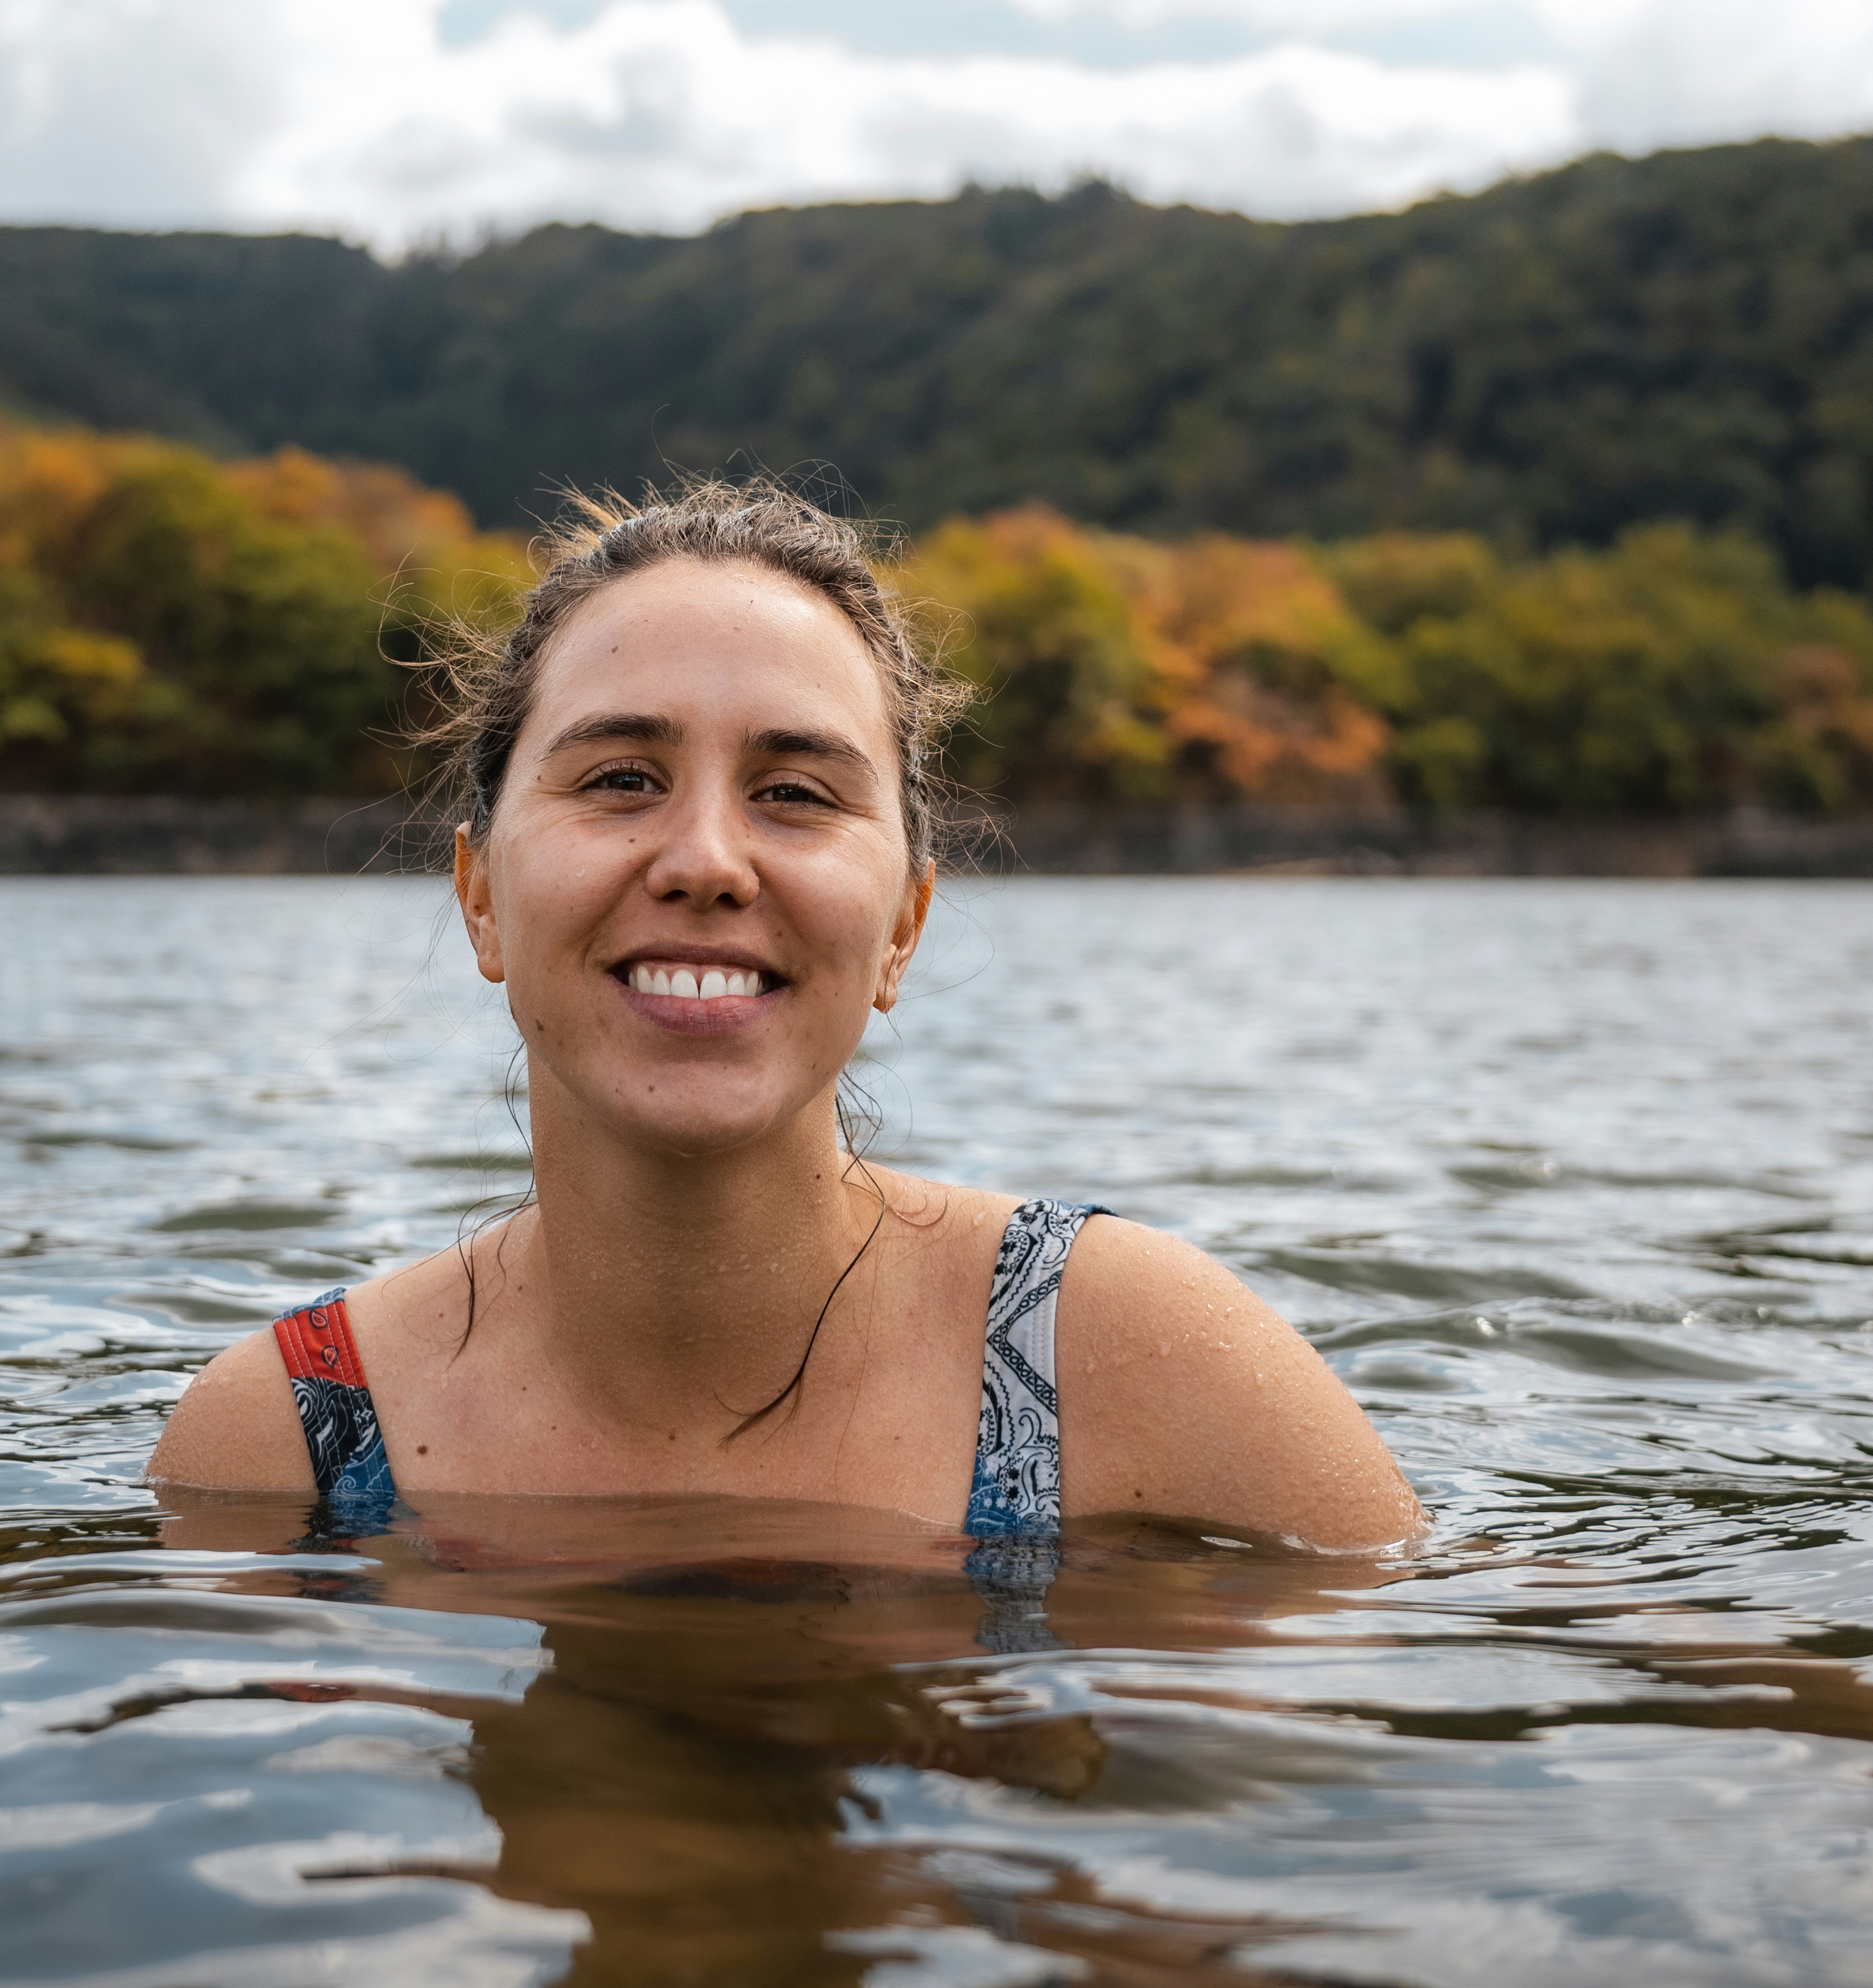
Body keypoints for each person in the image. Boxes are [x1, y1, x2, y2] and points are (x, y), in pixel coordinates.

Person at [149, 479, 1422, 1552]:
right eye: (621, 778)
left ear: (904, 928)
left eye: (797, 791)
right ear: (480, 896)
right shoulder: (291, 1438)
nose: (706, 858)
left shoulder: (1132, 1361)